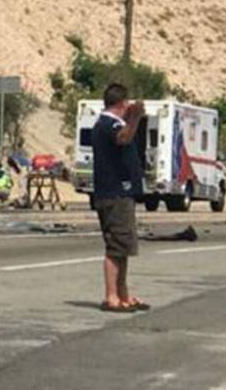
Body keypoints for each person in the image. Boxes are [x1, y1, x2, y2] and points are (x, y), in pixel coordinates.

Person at [92, 83, 149, 313]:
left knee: (123, 247)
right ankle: (111, 296)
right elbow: (124, 138)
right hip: (113, 193)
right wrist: (135, 118)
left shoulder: (110, 123)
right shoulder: (109, 124)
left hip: (120, 193)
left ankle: (122, 293)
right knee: (116, 247)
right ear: (122, 104)